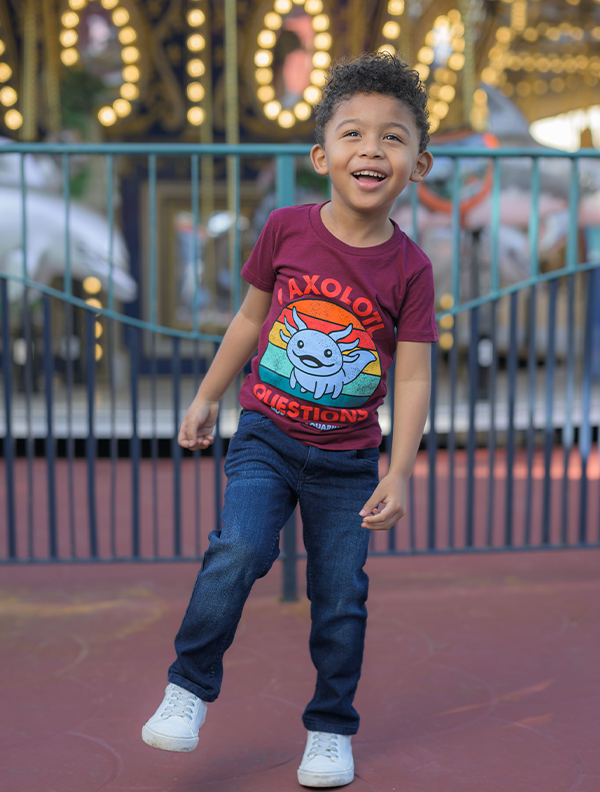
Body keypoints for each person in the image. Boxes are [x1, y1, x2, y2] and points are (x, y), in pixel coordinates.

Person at [142, 51, 437, 788]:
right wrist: (208, 395)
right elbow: (249, 319)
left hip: (348, 461)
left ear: (419, 165)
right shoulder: (286, 230)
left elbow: (412, 370)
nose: (372, 149)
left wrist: (399, 469)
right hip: (267, 438)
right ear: (321, 155)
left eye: (393, 137)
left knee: (340, 599)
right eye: (353, 134)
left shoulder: (411, 270)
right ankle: (187, 686)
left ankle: (331, 729)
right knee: (238, 551)